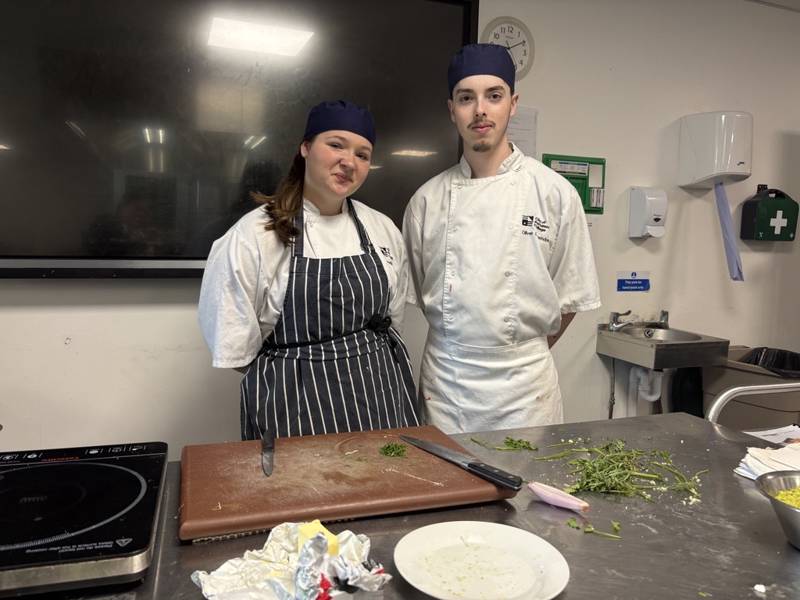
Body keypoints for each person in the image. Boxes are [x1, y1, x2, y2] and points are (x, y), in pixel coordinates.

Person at [402, 44, 601, 434]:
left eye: (494, 95)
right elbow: (425, 293)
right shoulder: (426, 201)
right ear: (451, 110)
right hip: (448, 387)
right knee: (449, 491)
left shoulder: (554, 194)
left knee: (527, 493)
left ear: (512, 103)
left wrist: (518, 351)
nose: (480, 110)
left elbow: (569, 296)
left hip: (526, 392)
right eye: (466, 98)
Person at [199, 100, 420, 439]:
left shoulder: (382, 228)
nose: (349, 162)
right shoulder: (254, 235)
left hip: (381, 396)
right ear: (305, 148)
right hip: (295, 408)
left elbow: (392, 320)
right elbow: (235, 346)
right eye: (336, 145)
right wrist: (304, 363)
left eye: (363, 154)